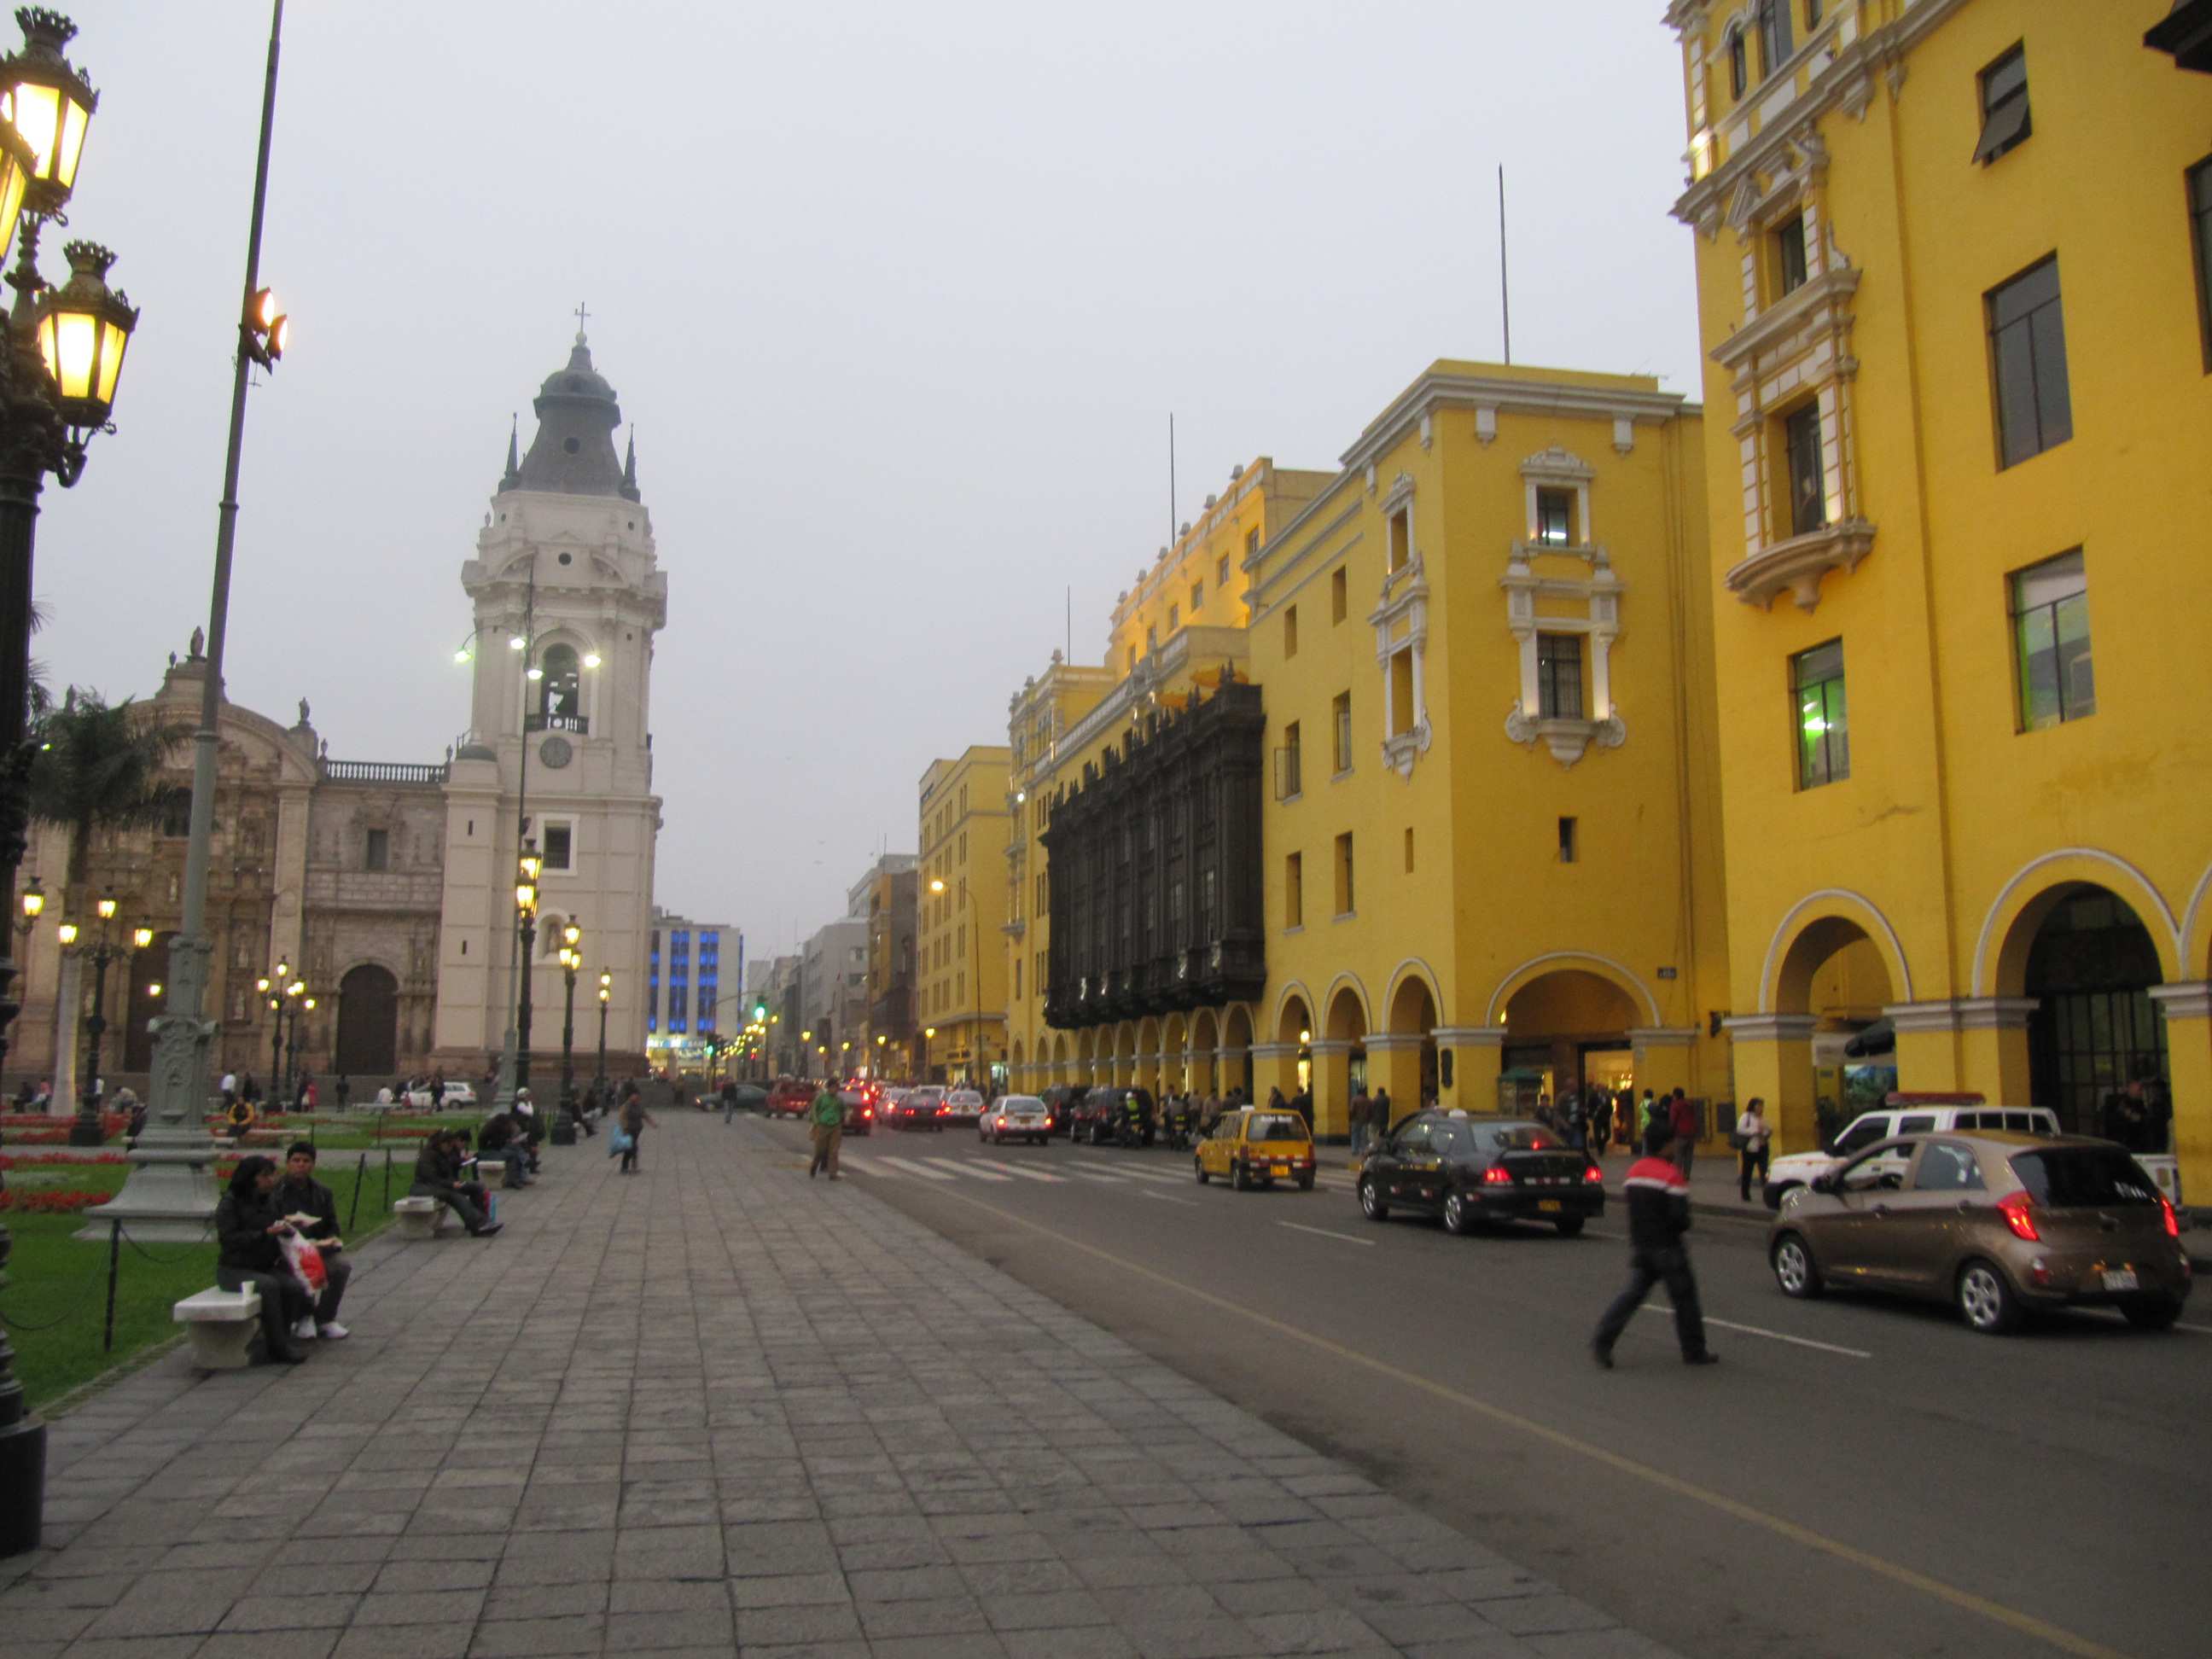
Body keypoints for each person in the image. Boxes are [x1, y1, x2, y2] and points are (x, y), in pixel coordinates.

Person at [1591, 1121, 1715, 1370]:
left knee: (1631, 1297)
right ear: (1666, 1145)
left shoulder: (1634, 1172)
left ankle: (1603, 1340)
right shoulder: (1672, 1175)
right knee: (1685, 1300)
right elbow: (1681, 1219)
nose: (1676, 1146)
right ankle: (1694, 1350)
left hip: (1642, 1245)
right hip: (1669, 1248)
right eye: (1673, 1142)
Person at [215, 1155, 311, 1364]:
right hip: (234, 1269)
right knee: (269, 1287)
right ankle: (278, 1347)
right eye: (265, 1176)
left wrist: (287, 1227)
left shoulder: (269, 1200)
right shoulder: (230, 1203)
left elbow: (276, 1223)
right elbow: (229, 1239)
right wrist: (265, 1233)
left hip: (263, 1265)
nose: (271, 1180)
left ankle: (282, 1338)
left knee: (293, 1286)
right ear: (251, 1178)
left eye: (272, 1175)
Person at [275, 1142, 351, 1340]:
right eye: (296, 1160)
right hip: (286, 1250)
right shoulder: (277, 1191)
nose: (300, 1165)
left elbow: (332, 1224)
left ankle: (325, 1319)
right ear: (288, 1163)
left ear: (313, 1165)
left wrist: (331, 1239)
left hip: (316, 1247)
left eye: (306, 1161)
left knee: (340, 1267)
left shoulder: (322, 1192)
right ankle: (302, 1316)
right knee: (299, 1269)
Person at [410, 1129, 502, 1235]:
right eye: (449, 1146)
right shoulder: (427, 1156)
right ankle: (478, 1224)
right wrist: (451, 1184)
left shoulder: (443, 1154)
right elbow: (431, 1178)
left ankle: (481, 1221)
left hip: (439, 1185)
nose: (450, 1149)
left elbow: (447, 1174)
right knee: (454, 1195)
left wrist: (456, 1182)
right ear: (442, 1144)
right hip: (423, 1187)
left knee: (474, 1187)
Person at [477, 1112, 534, 1189]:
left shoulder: (498, 1128)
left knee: (516, 1151)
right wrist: (508, 1141)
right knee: (513, 1156)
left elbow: (501, 1142)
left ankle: (517, 1177)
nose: (508, 1125)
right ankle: (514, 1180)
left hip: (495, 1150)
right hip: (489, 1152)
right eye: (507, 1124)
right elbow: (495, 1143)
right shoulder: (493, 1129)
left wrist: (510, 1140)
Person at [1735, 1097, 1771, 1203]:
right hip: (1750, 1148)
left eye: (1761, 1106)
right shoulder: (1746, 1116)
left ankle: (1766, 1195)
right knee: (1747, 1172)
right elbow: (1740, 1129)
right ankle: (1745, 1194)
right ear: (1753, 1106)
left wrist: (1767, 1132)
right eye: (1758, 1105)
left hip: (1763, 1147)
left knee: (1764, 1171)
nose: (1760, 1108)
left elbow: (1767, 1129)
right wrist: (1754, 1131)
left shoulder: (1762, 1118)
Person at [807, 1080, 844, 1179]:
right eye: (832, 1087)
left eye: (836, 1088)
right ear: (828, 1088)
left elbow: (843, 1111)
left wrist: (844, 1118)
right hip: (823, 1126)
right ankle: (814, 1166)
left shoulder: (839, 1100)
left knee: (834, 1151)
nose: (834, 1090)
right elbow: (814, 1110)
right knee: (820, 1150)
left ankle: (833, 1174)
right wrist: (816, 1122)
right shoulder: (822, 1099)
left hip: (835, 1127)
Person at [617, 1086, 656, 1174]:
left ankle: (632, 1167)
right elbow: (621, 1118)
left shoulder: (638, 1105)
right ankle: (625, 1167)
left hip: (636, 1130)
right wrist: (624, 1128)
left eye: (637, 1095)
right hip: (628, 1130)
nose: (636, 1097)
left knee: (633, 1148)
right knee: (630, 1148)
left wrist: (652, 1123)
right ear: (630, 1096)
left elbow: (644, 1114)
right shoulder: (626, 1106)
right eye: (635, 1095)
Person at [1668, 1087, 1699, 1175]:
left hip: (1680, 1134)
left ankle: (1677, 1175)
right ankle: (1687, 1174)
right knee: (1689, 1156)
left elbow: (1673, 1119)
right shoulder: (1690, 1104)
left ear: (1675, 1095)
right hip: (1691, 1133)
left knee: (1678, 1156)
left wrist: (1671, 1131)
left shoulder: (1675, 1105)